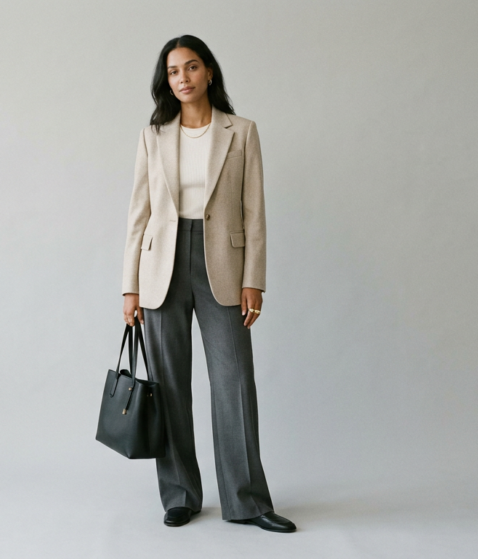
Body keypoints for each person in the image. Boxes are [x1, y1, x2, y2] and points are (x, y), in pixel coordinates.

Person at [120, 35, 296, 533]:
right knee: (168, 384)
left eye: (191, 68)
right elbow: (139, 214)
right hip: (162, 267)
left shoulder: (241, 131)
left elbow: (253, 211)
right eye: (174, 71)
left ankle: (247, 501)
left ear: (209, 72)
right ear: (167, 81)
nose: (183, 78)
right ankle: (180, 495)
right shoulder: (153, 135)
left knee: (234, 382)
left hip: (222, 262)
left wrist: (254, 279)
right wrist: (129, 287)